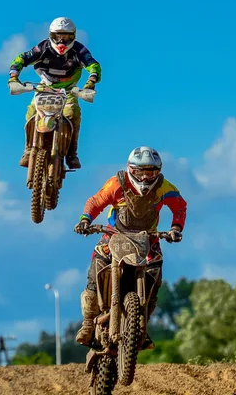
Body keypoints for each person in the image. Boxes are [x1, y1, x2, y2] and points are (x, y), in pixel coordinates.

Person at [73, 146, 188, 350]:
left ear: (158, 172)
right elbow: (96, 201)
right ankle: (88, 322)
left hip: (148, 238)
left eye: (150, 172)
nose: (145, 177)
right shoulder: (117, 183)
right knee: (97, 265)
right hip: (114, 235)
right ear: (130, 170)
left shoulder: (164, 187)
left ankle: (141, 326)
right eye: (139, 172)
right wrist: (85, 220)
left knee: (155, 275)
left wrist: (175, 228)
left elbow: (180, 206)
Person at [7, 17, 102, 170]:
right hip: (44, 88)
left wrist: (91, 82)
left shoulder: (79, 50)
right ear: (51, 35)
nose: (61, 41)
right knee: (31, 112)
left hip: (69, 90)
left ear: (73, 36)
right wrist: (13, 76)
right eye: (57, 36)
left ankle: (72, 153)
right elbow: (22, 58)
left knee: (72, 113)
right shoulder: (42, 48)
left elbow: (93, 65)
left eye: (66, 37)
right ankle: (28, 149)